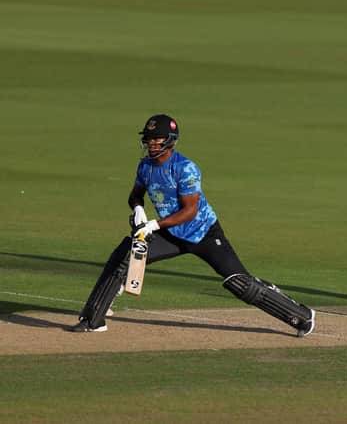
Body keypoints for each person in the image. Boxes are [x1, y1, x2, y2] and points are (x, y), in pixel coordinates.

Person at [71, 114, 316, 337]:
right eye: (149, 139)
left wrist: (153, 225)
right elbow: (135, 195)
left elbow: (190, 211)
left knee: (239, 283)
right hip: (169, 234)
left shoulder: (184, 168)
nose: (152, 143)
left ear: (170, 140)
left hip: (204, 234)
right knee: (125, 255)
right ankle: (94, 319)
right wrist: (137, 209)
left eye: (157, 139)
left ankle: (301, 317)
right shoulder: (145, 166)